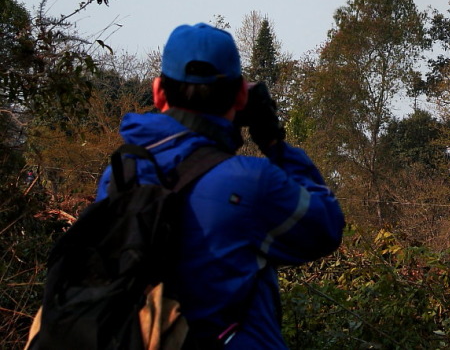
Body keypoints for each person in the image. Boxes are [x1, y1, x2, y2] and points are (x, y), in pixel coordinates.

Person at [95, 23, 344, 349]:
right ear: (241, 94)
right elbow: (326, 227)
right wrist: (274, 142)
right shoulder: (251, 182)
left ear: (158, 92)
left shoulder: (118, 174)